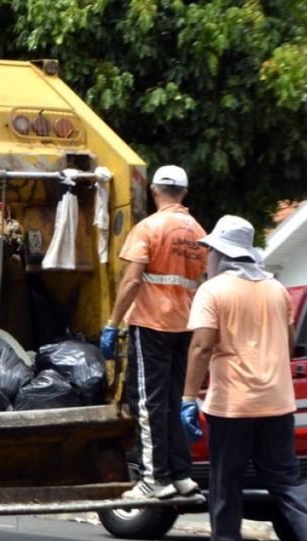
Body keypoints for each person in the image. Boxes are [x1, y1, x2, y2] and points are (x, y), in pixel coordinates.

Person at [183, 215, 307, 541]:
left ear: (221, 254)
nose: (208, 256)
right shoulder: (276, 289)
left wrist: (186, 398)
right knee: (288, 481)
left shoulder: (213, 292)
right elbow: (289, 341)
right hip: (277, 403)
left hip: (232, 405)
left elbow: (200, 347)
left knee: (226, 484)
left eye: (211, 250)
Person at [100, 164, 207, 499]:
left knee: (148, 401)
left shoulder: (149, 228)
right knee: (174, 400)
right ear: (185, 194)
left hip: (151, 325)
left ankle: (153, 479)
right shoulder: (200, 233)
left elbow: (132, 280)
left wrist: (112, 323)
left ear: (154, 190)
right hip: (185, 326)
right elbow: (202, 282)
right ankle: (181, 476)